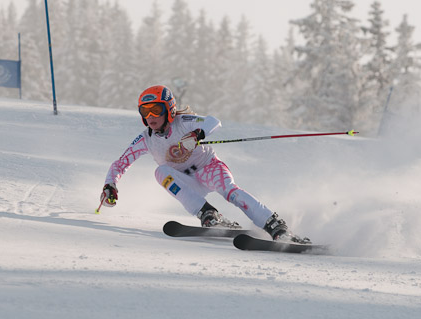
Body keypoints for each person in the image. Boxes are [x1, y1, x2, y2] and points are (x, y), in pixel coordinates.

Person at [99, 85, 310, 243]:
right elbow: (120, 164)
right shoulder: (146, 138)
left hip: (209, 168)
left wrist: (197, 134)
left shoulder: (184, 122)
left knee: (231, 192)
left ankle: (275, 226)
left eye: (156, 109)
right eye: (145, 112)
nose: (151, 116)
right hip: (187, 181)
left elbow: (213, 121)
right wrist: (110, 185)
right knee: (160, 172)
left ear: (169, 109)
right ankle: (208, 213)